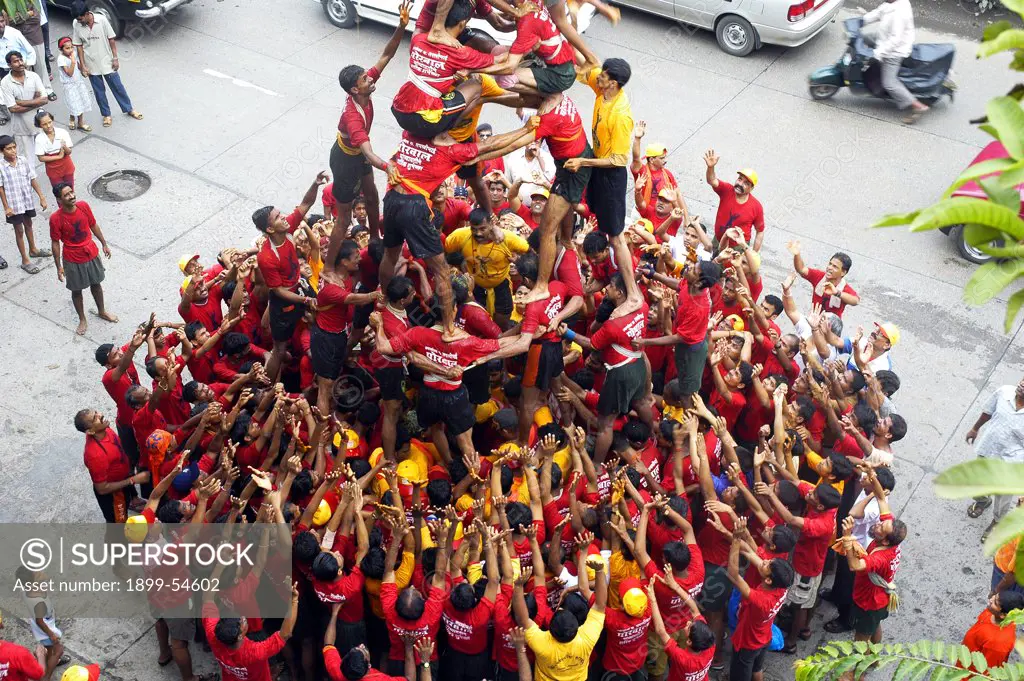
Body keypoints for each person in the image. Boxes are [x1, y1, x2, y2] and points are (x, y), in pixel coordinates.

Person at [378, 120, 536, 337]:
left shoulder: (412, 133)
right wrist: (528, 130)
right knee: (441, 270)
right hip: (414, 203)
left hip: (392, 198)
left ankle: (386, 301)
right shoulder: (454, 149)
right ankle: (449, 328)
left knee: (390, 255)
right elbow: (495, 147)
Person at [328, 0, 409, 246]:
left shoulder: (362, 89)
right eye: (365, 78)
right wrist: (388, 167)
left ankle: (375, 237)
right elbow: (368, 152)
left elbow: (387, 54)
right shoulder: (353, 117)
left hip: (358, 156)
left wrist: (401, 25)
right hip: (345, 159)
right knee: (343, 219)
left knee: (372, 197)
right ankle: (330, 266)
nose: (371, 78)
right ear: (355, 89)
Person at [566, 59, 644, 314]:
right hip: (597, 169)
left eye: (603, 77)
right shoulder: (603, 87)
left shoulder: (621, 115)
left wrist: (584, 161)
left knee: (616, 237)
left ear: (613, 83)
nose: (597, 77)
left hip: (611, 175)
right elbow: (583, 65)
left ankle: (632, 293)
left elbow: (620, 159)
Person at [252, 171, 327, 379]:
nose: (284, 217)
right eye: (277, 217)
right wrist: (305, 299)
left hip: (299, 286)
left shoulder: (287, 229)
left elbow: (305, 204)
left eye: (280, 213)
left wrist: (315, 183)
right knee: (280, 348)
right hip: (283, 302)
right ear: (269, 228)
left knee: (325, 313)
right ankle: (266, 385)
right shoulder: (266, 257)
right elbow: (278, 291)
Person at [49, 181, 116, 335]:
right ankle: (82, 319)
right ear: (59, 200)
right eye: (66, 195)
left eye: (71, 192)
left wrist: (104, 244)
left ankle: (102, 311)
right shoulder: (55, 218)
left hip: (90, 252)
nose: (71, 196)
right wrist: (58, 266)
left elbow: (93, 225)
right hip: (72, 258)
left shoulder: (83, 206)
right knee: (76, 290)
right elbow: (55, 243)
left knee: (96, 284)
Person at [444, 208, 529, 328]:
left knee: (502, 319)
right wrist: (460, 264)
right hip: (474, 284)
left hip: (501, 283)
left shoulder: (508, 238)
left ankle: (499, 335)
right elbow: (445, 252)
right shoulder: (460, 236)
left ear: (491, 224)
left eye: (482, 229)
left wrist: (519, 262)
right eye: (474, 229)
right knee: (475, 319)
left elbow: (530, 252)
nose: (478, 233)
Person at [965, 377, 1024, 541]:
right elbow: (988, 412)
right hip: (989, 449)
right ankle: (982, 501)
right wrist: (975, 428)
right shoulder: (1004, 391)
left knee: (1003, 497)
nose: (1022, 384)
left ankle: (997, 521)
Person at [70, 0, 142, 127]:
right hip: (91, 63)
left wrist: (115, 58)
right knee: (99, 92)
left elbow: (111, 40)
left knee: (118, 87)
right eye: (77, 19)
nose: (79, 21)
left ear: (87, 14)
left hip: (107, 60)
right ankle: (106, 115)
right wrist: (82, 65)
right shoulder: (76, 23)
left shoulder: (101, 20)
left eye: (81, 18)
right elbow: (79, 46)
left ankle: (129, 109)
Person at [73, 408, 150, 522]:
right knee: (118, 524)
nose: (101, 414)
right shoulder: (95, 455)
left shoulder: (104, 430)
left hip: (123, 480)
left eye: (96, 412)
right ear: (90, 431)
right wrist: (133, 480)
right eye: (95, 418)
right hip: (114, 495)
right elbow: (102, 489)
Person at [861, 0, 928, 123]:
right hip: (883, 37)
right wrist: (860, 21)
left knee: (889, 83)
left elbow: (895, 40)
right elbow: (879, 12)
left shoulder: (900, 13)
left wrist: (878, 53)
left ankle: (918, 106)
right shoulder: (891, 3)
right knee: (863, 38)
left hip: (894, 51)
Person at [0, 133, 47, 273]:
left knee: (29, 224)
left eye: (14, 147)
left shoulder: (23, 160)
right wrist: (6, 207)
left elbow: (32, 178)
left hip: (26, 200)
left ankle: (33, 249)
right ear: (2, 151)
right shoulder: (1, 167)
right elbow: (0, 188)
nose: (13, 151)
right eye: (9, 148)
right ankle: (25, 260)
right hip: (14, 205)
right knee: (19, 230)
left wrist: (41, 197)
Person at [702, 149, 764, 252]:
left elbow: (760, 231)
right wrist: (711, 167)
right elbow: (711, 180)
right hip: (718, 241)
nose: (740, 184)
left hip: (737, 249)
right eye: (739, 179)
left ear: (751, 188)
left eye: (746, 183)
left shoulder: (756, 207)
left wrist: (753, 255)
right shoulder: (727, 190)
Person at [962, 591, 1024, 671]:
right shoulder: (992, 613)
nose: (991, 599)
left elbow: (987, 671)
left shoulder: (998, 644)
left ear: (1003, 615)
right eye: (995, 596)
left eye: (995, 602)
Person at [1, 50, 46, 158]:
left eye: (21, 59)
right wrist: (36, 102)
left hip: (39, 123)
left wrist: (21, 102)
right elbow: (13, 109)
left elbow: (44, 100)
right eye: (16, 61)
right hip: (21, 127)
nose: (20, 63)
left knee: (47, 152)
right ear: (9, 65)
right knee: (27, 159)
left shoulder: (33, 76)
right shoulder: (5, 82)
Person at [55, 37, 91, 131]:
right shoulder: (61, 59)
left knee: (80, 102)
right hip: (69, 85)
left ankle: (80, 122)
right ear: (61, 49)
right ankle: (72, 118)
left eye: (71, 47)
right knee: (73, 103)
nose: (70, 50)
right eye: (67, 48)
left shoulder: (73, 54)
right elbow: (69, 73)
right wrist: (73, 62)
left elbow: (78, 65)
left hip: (78, 82)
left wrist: (82, 70)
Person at [33, 109, 74, 189]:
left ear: (52, 120)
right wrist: (59, 156)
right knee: (58, 192)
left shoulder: (62, 132)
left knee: (70, 189)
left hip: (67, 166)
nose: (48, 126)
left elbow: (69, 152)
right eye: (44, 124)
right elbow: (41, 158)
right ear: (40, 125)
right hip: (53, 170)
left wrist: (64, 147)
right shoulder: (39, 138)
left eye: (49, 122)